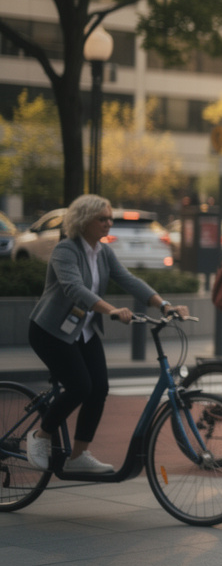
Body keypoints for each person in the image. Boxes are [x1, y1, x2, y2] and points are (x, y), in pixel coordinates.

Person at [26, 194, 190, 474]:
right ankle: (41, 436)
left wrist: (163, 305)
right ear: (83, 220)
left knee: (99, 389)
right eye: (102, 219)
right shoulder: (66, 250)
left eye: (110, 218)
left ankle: (78, 456)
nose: (108, 223)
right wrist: (111, 310)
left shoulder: (103, 252)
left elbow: (128, 279)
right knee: (80, 386)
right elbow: (74, 288)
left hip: (83, 331)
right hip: (50, 331)